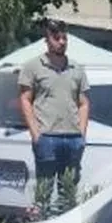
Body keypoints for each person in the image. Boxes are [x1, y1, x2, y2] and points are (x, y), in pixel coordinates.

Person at [19, 14, 90, 211]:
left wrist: (82, 133)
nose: (61, 42)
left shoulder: (77, 69)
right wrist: (35, 133)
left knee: (68, 193)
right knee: (44, 192)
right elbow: (25, 99)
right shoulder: (33, 67)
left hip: (73, 137)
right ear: (47, 40)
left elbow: (84, 103)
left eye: (64, 38)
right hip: (47, 137)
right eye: (56, 38)